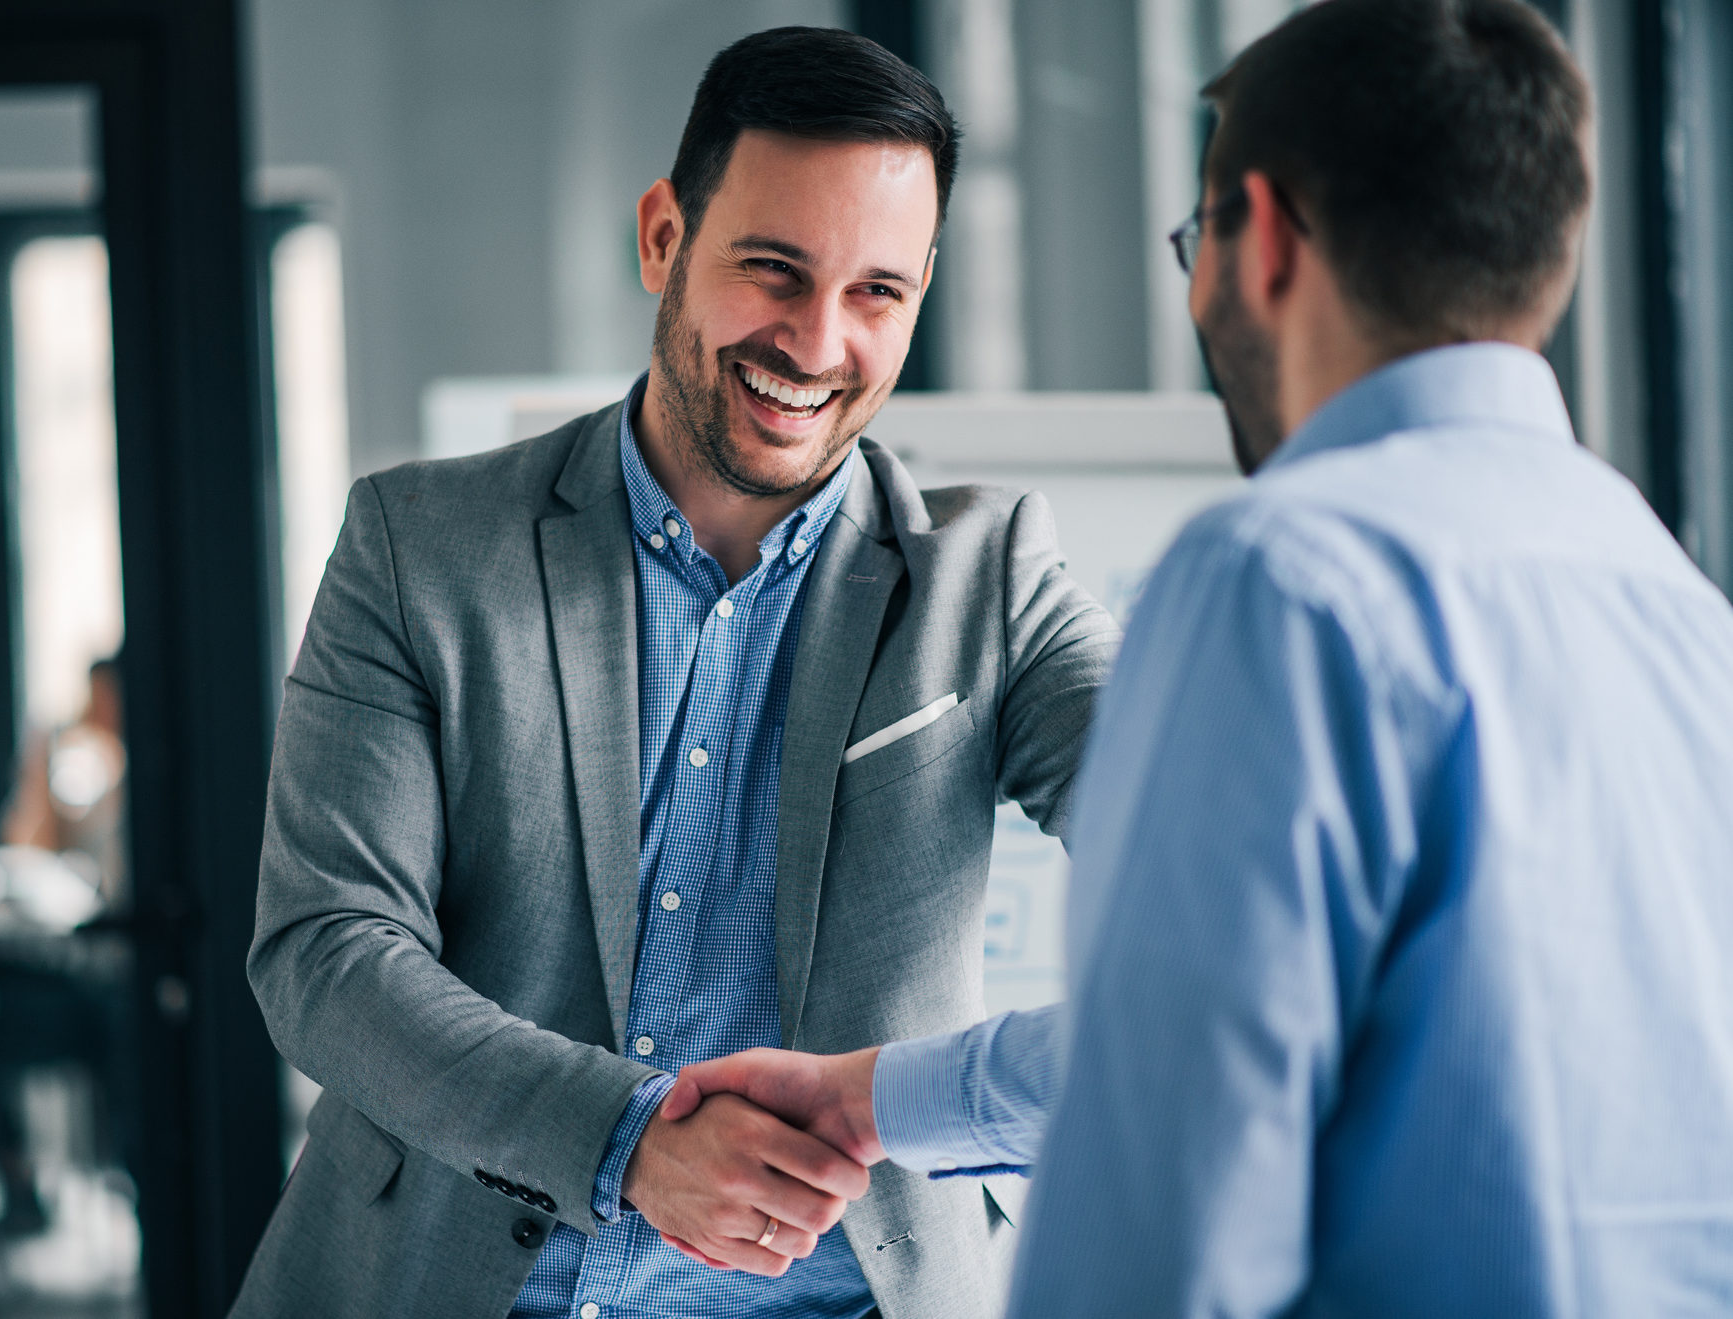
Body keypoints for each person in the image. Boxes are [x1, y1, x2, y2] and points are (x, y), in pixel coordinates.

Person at [665, 1, 1733, 1314]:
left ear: (1265, 237)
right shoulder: (1679, 609)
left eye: (1198, 238)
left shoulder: (1282, 578)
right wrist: (873, 1099)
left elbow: (1168, 1157)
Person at [233, 26, 1119, 1319]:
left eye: (878, 293)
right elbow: (326, 953)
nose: (818, 343)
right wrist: (628, 1140)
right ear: (664, 238)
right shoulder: (419, 549)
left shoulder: (991, 583)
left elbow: (1214, 876)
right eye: (773, 270)